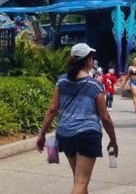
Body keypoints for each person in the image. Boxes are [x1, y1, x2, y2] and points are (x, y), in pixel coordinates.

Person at [37, 43, 119, 194]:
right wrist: (113, 140)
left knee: (78, 180)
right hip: (87, 134)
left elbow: (52, 109)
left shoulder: (61, 81)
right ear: (87, 61)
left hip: (65, 134)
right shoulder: (94, 85)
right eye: (91, 58)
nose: (93, 61)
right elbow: (105, 117)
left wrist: (42, 134)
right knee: (81, 182)